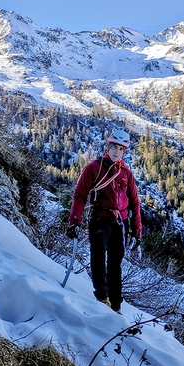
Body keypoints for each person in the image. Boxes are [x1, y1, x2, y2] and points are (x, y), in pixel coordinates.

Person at [67, 129, 142, 313]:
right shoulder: (94, 168)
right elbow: (80, 195)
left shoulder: (126, 174)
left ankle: (115, 305)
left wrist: (137, 231)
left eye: (120, 149)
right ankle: (102, 295)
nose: (116, 152)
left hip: (120, 222)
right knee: (98, 249)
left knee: (115, 263)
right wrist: (75, 220)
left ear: (125, 152)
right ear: (108, 147)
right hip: (100, 217)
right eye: (114, 147)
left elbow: (134, 203)